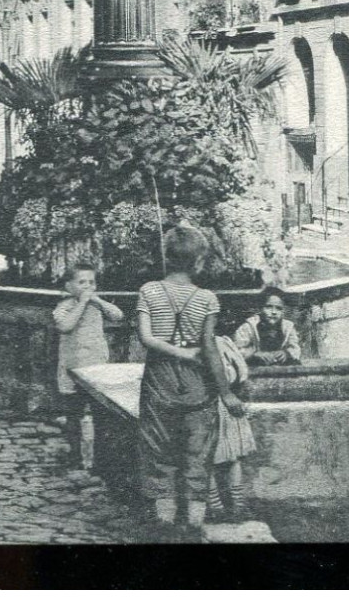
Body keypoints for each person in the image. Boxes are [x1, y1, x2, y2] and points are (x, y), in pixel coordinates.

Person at [137, 223, 245, 541]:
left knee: (159, 454)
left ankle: (165, 527)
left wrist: (175, 353)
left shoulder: (148, 291)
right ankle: (196, 527)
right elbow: (209, 348)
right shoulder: (207, 298)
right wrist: (226, 393)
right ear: (198, 262)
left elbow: (146, 337)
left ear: (165, 258)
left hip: (159, 383)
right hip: (199, 386)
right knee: (198, 456)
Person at [52, 261, 124, 470]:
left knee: (100, 416)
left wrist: (97, 301)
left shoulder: (97, 305)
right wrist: (82, 303)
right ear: (69, 287)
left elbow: (118, 316)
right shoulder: (63, 307)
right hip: (72, 370)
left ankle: (100, 459)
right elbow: (65, 326)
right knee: (73, 417)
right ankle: (75, 457)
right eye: (81, 282)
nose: (87, 286)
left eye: (91, 282)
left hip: (96, 370)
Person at [207, 334, 257, 523]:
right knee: (208, 457)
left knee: (233, 455)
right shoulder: (199, 344)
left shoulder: (223, 342)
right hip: (209, 403)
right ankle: (215, 506)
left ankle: (238, 504)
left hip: (228, 403)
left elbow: (239, 371)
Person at [233, 286, 302, 366]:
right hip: (255, 367)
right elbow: (236, 349)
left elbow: (295, 348)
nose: (274, 312)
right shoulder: (249, 326)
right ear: (260, 308)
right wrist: (254, 354)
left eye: (279, 308)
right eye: (268, 307)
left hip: (280, 367)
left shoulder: (287, 327)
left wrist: (286, 353)